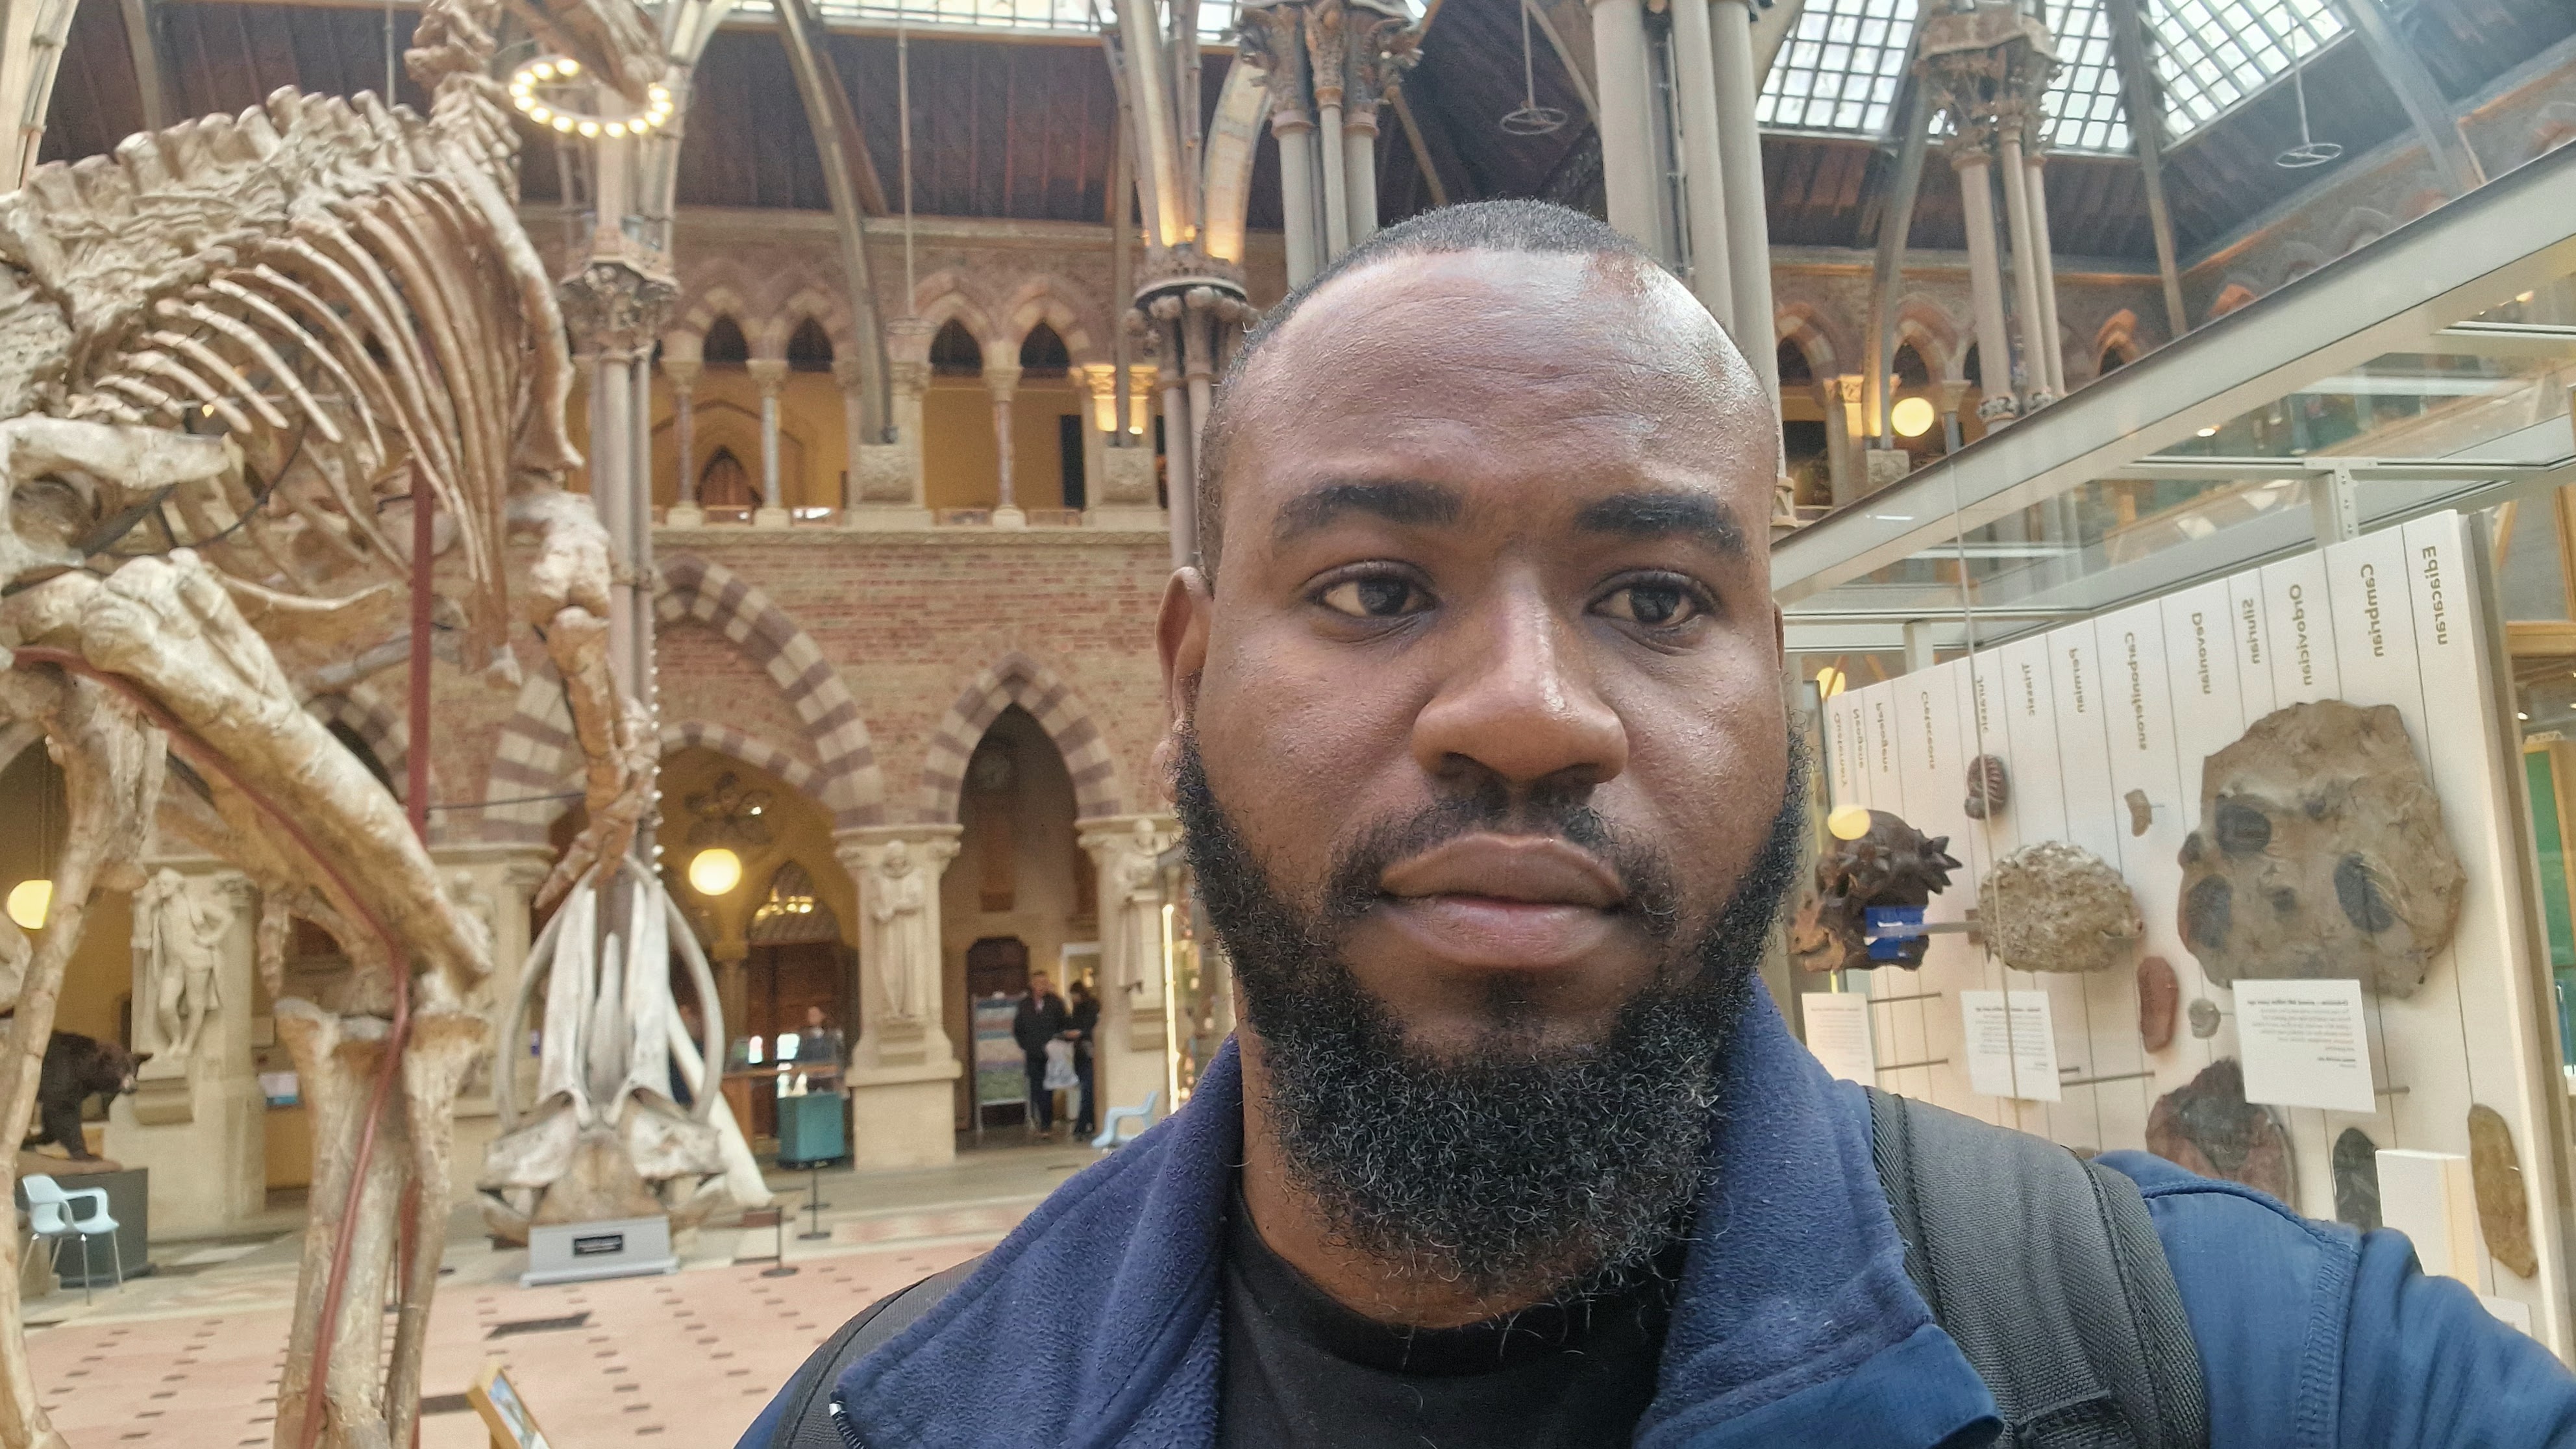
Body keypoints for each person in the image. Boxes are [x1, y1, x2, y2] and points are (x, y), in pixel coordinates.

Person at [743, 202, 2576, 1447]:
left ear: (1781, 681)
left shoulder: (2267, 1364)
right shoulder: (886, 1420)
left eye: (1654, 598)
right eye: (1375, 587)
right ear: (1189, 673)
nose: (1525, 711)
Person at [1011, 971, 1069, 1137]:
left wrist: (1058, 1042)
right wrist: (1026, 1045)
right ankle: (1040, 1121)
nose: (1042, 987)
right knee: (1036, 1088)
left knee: (1049, 1089)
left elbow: (1064, 1024)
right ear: (1032, 985)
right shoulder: (1025, 1004)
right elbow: (1018, 1028)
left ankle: (1046, 1125)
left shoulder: (1056, 1003)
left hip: (1052, 1053)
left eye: (1045, 983)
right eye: (1038, 983)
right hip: (1033, 1053)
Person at [1065, 978, 1100, 1141]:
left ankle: (1082, 1125)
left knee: (1087, 1090)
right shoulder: (1087, 1007)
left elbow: (1085, 1027)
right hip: (1084, 1054)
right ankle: (1089, 1123)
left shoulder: (1085, 1008)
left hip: (1084, 1054)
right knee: (1088, 1090)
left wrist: (1078, 1033)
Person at [796, 1004, 846, 1093]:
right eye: (810, 1015)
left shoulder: (833, 1036)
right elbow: (800, 1056)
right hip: (812, 1076)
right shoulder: (805, 1038)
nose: (812, 1017)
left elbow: (840, 1054)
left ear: (822, 1015)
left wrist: (840, 1073)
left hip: (830, 1075)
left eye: (815, 1014)